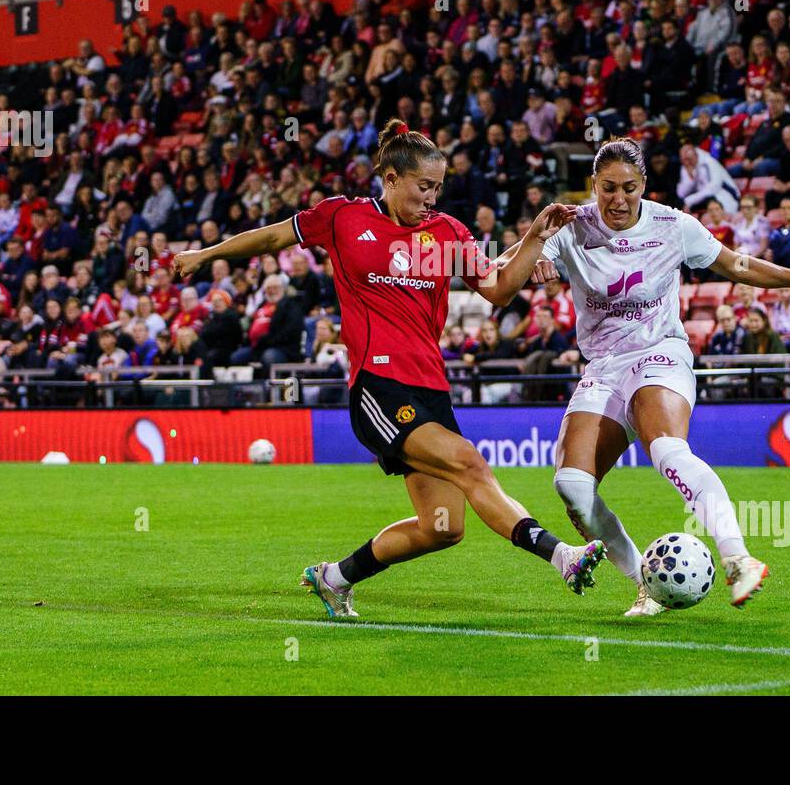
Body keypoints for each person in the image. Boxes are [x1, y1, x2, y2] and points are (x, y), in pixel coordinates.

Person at [172, 120, 603, 618]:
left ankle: (334, 578)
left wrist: (534, 236)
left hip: (431, 389)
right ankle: (562, 556)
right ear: (392, 177)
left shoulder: (446, 233)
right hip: (378, 386)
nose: (431, 197)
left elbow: (499, 288)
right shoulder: (342, 217)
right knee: (469, 462)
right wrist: (205, 254)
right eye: (424, 186)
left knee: (443, 526)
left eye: (438, 187)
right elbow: (271, 239)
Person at [527, 137, 790, 615]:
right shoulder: (570, 225)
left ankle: (738, 558)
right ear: (592, 185)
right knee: (572, 486)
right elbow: (501, 272)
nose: (618, 200)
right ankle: (646, 585)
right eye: (608, 188)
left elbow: (737, 265)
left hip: (660, 353)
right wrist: (533, 249)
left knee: (668, 452)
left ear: (644, 186)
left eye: (629, 188)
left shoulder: (674, 226)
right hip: (603, 367)